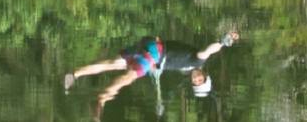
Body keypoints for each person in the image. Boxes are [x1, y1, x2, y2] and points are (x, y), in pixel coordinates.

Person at [64, 31, 239, 119]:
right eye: (201, 79)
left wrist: (156, 67)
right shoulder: (198, 61)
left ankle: (74, 74)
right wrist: (223, 42)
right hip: (155, 51)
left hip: (147, 46)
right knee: (129, 77)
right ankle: (101, 99)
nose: (196, 79)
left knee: (112, 64)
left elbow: (169, 60)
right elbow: (208, 51)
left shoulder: (185, 69)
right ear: (205, 74)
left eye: (196, 83)